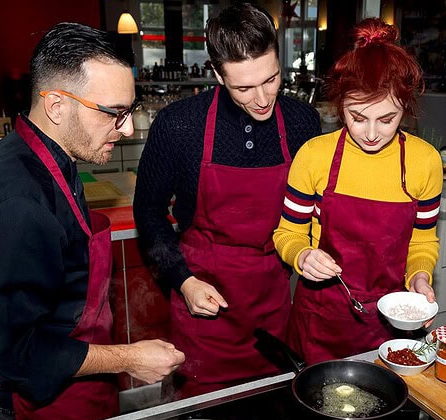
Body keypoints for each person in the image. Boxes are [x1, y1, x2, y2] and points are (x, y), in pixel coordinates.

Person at [0, 22, 185, 420]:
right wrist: (129, 357)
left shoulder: (45, 156)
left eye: (128, 112)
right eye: (115, 113)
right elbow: (17, 354)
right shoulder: (20, 205)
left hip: (79, 390)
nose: (129, 129)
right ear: (57, 105)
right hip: (44, 408)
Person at [133, 3, 321, 399]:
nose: (262, 98)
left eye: (271, 79)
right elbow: (148, 212)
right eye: (243, 88)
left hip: (272, 300)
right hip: (202, 301)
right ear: (218, 74)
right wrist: (182, 281)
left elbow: (313, 210)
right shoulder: (179, 125)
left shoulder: (303, 122)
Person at [273, 18, 441, 364]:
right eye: (358, 116)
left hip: (390, 324)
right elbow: (287, 232)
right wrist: (301, 255)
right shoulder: (315, 156)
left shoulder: (425, 162)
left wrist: (421, 276)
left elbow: (423, 241)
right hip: (319, 320)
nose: (371, 133)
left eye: (387, 119)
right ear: (340, 106)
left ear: (405, 109)